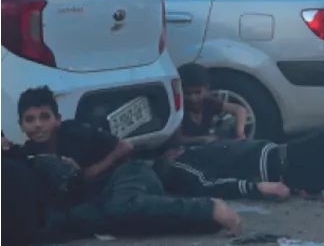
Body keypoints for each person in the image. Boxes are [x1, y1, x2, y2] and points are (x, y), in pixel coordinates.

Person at [1, 86, 241, 238]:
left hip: (129, 174)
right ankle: (207, 223)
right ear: (21, 126)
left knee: (121, 206)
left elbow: (125, 148)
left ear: (58, 119)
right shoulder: (30, 154)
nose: (38, 125)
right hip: (104, 195)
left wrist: (87, 172)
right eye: (30, 120)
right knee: (113, 220)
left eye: (45, 117)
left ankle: (210, 207)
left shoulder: (75, 132)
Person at [156, 123, 324, 199]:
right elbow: (208, 185)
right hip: (290, 159)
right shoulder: (177, 165)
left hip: (292, 169)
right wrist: (259, 188)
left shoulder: (190, 152)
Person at [175, 63, 248, 142]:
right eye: (187, 94)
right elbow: (177, 139)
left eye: (197, 93)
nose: (193, 98)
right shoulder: (178, 108)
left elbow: (240, 110)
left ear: (206, 88)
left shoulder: (209, 102)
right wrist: (203, 139)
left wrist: (240, 133)